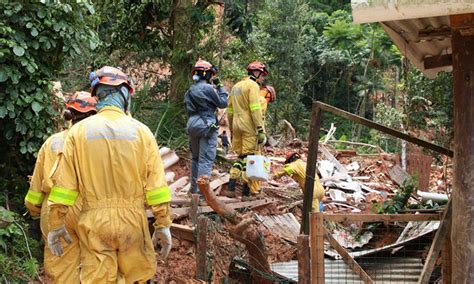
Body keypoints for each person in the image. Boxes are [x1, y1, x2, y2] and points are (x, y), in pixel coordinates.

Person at [46, 66, 172, 283]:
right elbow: (157, 187)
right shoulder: (142, 132)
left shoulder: (78, 132)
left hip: (95, 224)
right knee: (134, 278)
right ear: (125, 94)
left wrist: (56, 223)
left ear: (98, 95)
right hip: (133, 223)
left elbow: (65, 186)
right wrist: (163, 223)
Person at [24, 91, 97, 283]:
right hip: (92, 209)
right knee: (97, 266)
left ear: (69, 114)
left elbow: (37, 186)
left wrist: (34, 211)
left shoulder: (52, 142)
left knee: (62, 270)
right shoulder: (100, 143)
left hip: (56, 210)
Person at [221, 61, 268, 201]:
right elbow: (255, 109)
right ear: (256, 73)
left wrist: (231, 129)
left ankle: (231, 188)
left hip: (236, 124)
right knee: (250, 159)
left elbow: (229, 111)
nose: (262, 79)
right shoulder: (252, 86)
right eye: (262, 75)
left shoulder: (236, 86)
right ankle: (246, 194)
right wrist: (260, 129)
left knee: (240, 157)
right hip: (248, 126)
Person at [185, 59, 228, 196]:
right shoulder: (209, 88)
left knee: (196, 158)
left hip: (192, 124)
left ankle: (193, 190)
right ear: (207, 74)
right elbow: (223, 103)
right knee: (206, 160)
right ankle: (202, 194)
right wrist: (220, 86)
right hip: (208, 124)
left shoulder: (190, 90)